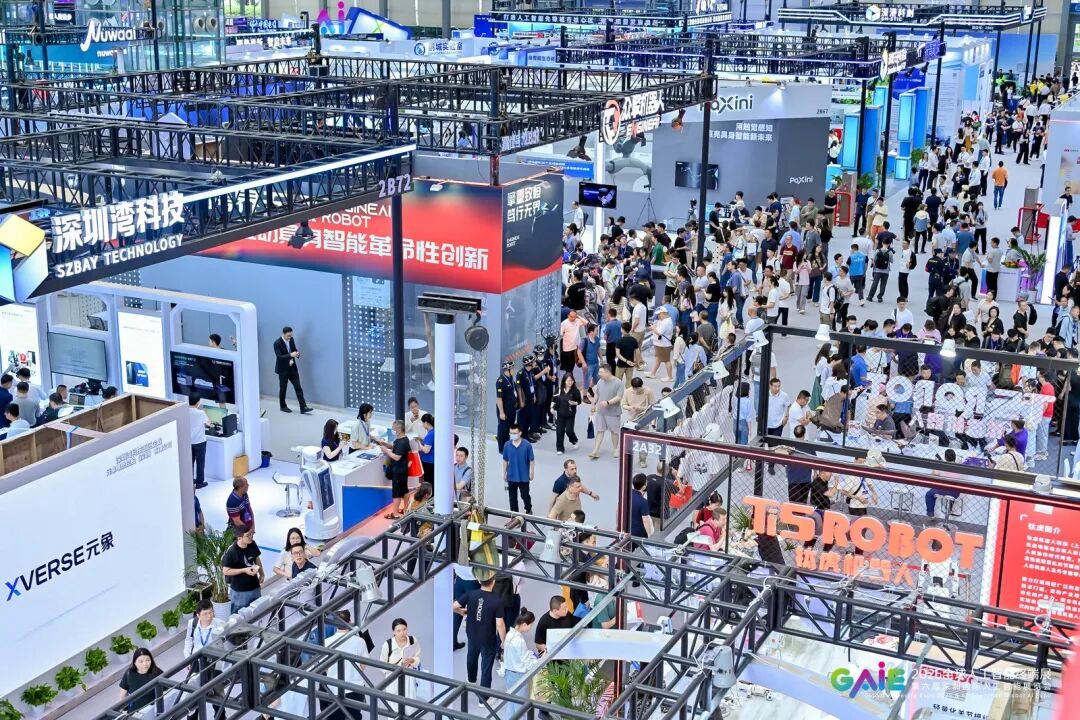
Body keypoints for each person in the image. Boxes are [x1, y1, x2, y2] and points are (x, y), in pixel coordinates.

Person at [453, 575, 507, 688]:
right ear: (493, 581)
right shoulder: (497, 600)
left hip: (472, 634)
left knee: (471, 656)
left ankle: (471, 679)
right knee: (486, 666)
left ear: (478, 580)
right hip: (488, 638)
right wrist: (503, 641)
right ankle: (484, 695)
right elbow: (500, 624)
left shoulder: (471, 594)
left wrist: (460, 611)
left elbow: (453, 606)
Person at [502, 608, 539, 715]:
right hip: (519, 676)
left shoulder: (509, 634)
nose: (530, 628)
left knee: (511, 705)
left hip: (508, 673)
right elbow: (527, 662)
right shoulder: (519, 641)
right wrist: (539, 661)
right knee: (520, 709)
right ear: (524, 624)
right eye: (530, 625)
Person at [183, 599, 226, 691]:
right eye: (205, 614)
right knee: (196, 686)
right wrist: (188, 658)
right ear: (198, 615)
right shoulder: (192, 623)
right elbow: (188, 640)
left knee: (216, 688)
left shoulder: (220, 624)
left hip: (213, 661)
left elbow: (225, 643)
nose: (209, 616)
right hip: (197, 660)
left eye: (211, 612)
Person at [221, 526, 263, 614]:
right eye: (248, 535)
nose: (251, 536)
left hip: (255, 586)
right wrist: (244, 570)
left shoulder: (252, 544)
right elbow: (226, 571)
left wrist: (261, 573)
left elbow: (256, 558)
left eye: (252, 534)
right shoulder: (232, 552)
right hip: (240, 591)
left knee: (257, 611)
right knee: (239, 615)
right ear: (239, 537)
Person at [379, 618, 421, 701]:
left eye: (404, 629)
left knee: (410, 703)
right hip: (393, 679)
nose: (402, 633)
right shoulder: (388, 644)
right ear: (393, 632)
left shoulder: (412, 640)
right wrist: (397, 667)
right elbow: (382, 665)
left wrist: (412, 660)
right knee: (394, 704)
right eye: (398, 631)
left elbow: (417, 656)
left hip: (409, 678)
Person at [273, 326, 311, 414]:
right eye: (288, 336)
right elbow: (279, 357)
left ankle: (303, 407)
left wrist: (297, 354)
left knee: (298, 387)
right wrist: (290, 355)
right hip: (282, 370)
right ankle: (283, 406)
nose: (290, 337)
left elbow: (294, 349)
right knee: (283, 389)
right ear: (283, 334)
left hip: (292, 368)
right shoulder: (277, 343)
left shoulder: (291, 339)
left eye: (291, 335)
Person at [378, 420, 412, 519]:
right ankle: (406, 509)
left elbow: (397, 457)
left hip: (398, 471)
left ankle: (395, 514)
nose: (393, 430)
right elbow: (396, 448)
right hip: (403, 470)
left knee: (397, 493)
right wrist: (386, 445)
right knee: (404, 490)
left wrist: (386, 451)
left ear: (399, 430)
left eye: (394, 429)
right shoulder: (404, 439)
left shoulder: (401, 442)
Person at [589, 364, 623, 459]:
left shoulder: (618, 382)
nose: (599, 374)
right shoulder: (600, 381)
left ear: (608, 372)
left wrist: (608, 402)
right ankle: (596, 450)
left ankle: (615, 449)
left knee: (614, 432)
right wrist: (594, 404)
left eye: (601, 372)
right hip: (601, 411)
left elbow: (619, 397)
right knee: (600, 430)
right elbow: (597, 394)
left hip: (613, 412)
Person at [502, 422, 535, 514]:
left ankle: (528, 508)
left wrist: (532, 473)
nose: (512, 435)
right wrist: (504, 473)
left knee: (525, 495)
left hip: (523, 477)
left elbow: (531, 460)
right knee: (512, 497)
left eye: (514, 433)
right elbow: (505, 460)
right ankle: (514, 514)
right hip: (511, 476)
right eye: (511, 433)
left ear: (520, 433)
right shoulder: (507, 445)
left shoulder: (527, 445)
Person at [554, 372, 581, 454]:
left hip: (570, 414)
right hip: (560, 413)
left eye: (571, 380)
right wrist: (552, 408)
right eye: (568, 380)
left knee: (569, 430)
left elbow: (579, 401)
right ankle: (560, 448)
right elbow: (554, 399)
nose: (570, 382)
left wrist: (574, 403)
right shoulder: (559, 389)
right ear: (564, 381)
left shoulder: (575, 390)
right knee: (559, 431)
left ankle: (574, 440)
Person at [495, 361, 518, 453]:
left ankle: (508, 445)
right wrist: (501, 412)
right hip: (505, 409)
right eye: (512, 368)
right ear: (508, 369)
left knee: (510, 427)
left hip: (512, 408)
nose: (514, 369)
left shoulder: (511, 379)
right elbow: (499, 399)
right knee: (503, 429)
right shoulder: (501, 381)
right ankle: (502, 448)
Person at [630, 473, 653, 539]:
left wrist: (618, 526)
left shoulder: (626, 495)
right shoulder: (643, 502)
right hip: (639, 534)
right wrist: (649, 535)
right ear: (643, 486)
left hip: (627, 530)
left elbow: (618, 510)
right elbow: (645, 520)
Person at [416, 414, 435, 486]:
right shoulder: (432, 432)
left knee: (428, 481)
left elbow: (426, 450)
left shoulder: (431, 434)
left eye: (422, 423)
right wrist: (421, 440)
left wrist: (418, 442)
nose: (422, 425)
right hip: (429, 461)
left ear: (426, 423)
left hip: (428, 462)